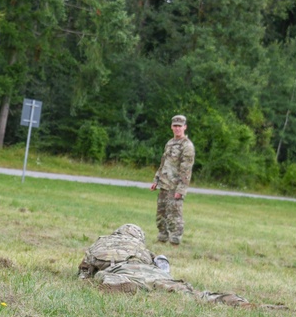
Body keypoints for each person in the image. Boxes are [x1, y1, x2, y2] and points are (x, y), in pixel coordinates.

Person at [78, 224, 249, 306]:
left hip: (120, 270)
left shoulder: (101, 242)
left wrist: (83, 279)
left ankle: (117, 284)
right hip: (150, 271)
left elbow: (85, 269)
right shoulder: (141, 247)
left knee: (103, 276)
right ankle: (234, 301)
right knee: (188, 292)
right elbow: (161, 264)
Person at [150, 114, 195, 245]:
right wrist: (156, 180)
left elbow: (186, 170)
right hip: (164, 184)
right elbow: (163, 163)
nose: (177, 129)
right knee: (161, 213)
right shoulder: (170, 143)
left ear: (185, 127)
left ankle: (175, 240)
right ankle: (162, 237)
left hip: (175, 186)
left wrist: (181, 189)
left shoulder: (187, 146)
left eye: (179, 126)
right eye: (175, 126)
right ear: (171, 127)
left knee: (174, 215)